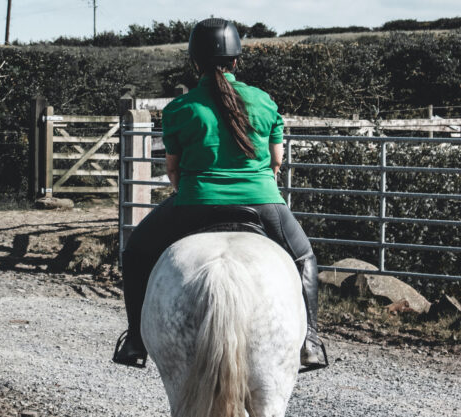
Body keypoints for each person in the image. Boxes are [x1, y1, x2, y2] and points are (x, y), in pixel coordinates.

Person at [112, 18, 327, 370]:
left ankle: (135, 340)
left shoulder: (179, 109)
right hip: (262, 202)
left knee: (135, 252)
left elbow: (172, 170)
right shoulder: (264, 101)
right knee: (304, 257)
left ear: (194, 62)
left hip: (195, 202)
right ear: (236, 61)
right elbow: (275, 160)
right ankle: (312, 341)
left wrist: (192, 191)